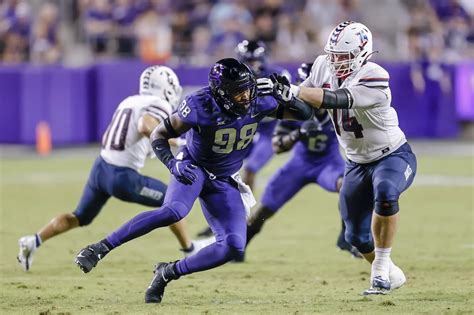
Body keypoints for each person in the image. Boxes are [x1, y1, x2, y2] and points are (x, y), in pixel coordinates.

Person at [74, 58, 314, 304]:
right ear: (220, 94)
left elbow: (306, 114)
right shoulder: (200, 104)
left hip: (225, 178)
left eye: (248, 88)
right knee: (173, 211)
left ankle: (167, 272)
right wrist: (171, 162)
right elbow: (159, 133)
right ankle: (100, 247)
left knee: (233, 245)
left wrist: (289, 98)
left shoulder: (259, 99)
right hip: (193, 166)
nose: (246, 96)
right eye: (238, 92)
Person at [263, 21, 417, 295]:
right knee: (354, 236)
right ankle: (391, 273)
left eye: (343, 56)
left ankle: (379, 271)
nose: (336, 61)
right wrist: (273, 103)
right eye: (333, 54)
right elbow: (305, 110)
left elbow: (336, 99)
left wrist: (295, 89)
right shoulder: (323, 65)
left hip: (391, 155)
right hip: (355, 163)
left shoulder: (375, 74)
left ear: (362, 53)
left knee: (385, 193)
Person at [17, 66, 199, 272]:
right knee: (172, 203)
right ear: (165, 87)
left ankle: (33, 240)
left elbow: (109, 136)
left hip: (101, 168)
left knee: (79, 217)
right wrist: (172, 141)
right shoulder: (158, 104)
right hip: (122, 176)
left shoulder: (129, 101)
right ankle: (190, 249)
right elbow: (145, 125)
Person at [244, 62, 361, 259]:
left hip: (328, 163)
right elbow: (277, 146)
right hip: (299, 164)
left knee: (348, 186)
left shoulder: (337, 108)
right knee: (264, 210)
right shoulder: (293, 111)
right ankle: (238, 248)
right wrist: (298, 134)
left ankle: (346, 237)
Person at [196, 39, 291, 238]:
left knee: (250, 169)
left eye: (255, 60)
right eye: (248, 60)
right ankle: (221, 219)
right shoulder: (236, 78)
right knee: (220, 171)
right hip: (241, 129)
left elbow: (290, 105)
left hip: (265, 132)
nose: (253, 64)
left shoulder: (276, 75)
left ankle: (245, 215)